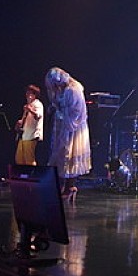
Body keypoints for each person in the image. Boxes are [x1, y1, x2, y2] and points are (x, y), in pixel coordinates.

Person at [45, 67, 92, 200]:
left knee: (70, 155)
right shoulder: (63, 90)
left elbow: (77, 111)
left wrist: (66, 120)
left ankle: (69, 187)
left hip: (73, 128)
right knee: (60, 155)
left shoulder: (73, 90)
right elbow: (58, 104)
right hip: (63, 126)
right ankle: (62, 186)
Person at [14, 84, 44, 166]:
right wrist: (20, 124)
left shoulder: (38, 104)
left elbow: (38, 116)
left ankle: (32, 173)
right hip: (24, 135)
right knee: (19, 158)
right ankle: (22, 173)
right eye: (27, 93)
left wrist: (30, 110)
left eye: (29, 93)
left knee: (29, 159)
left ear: (34, 95)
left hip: (31, 135)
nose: (27, 95)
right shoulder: (28, 105)